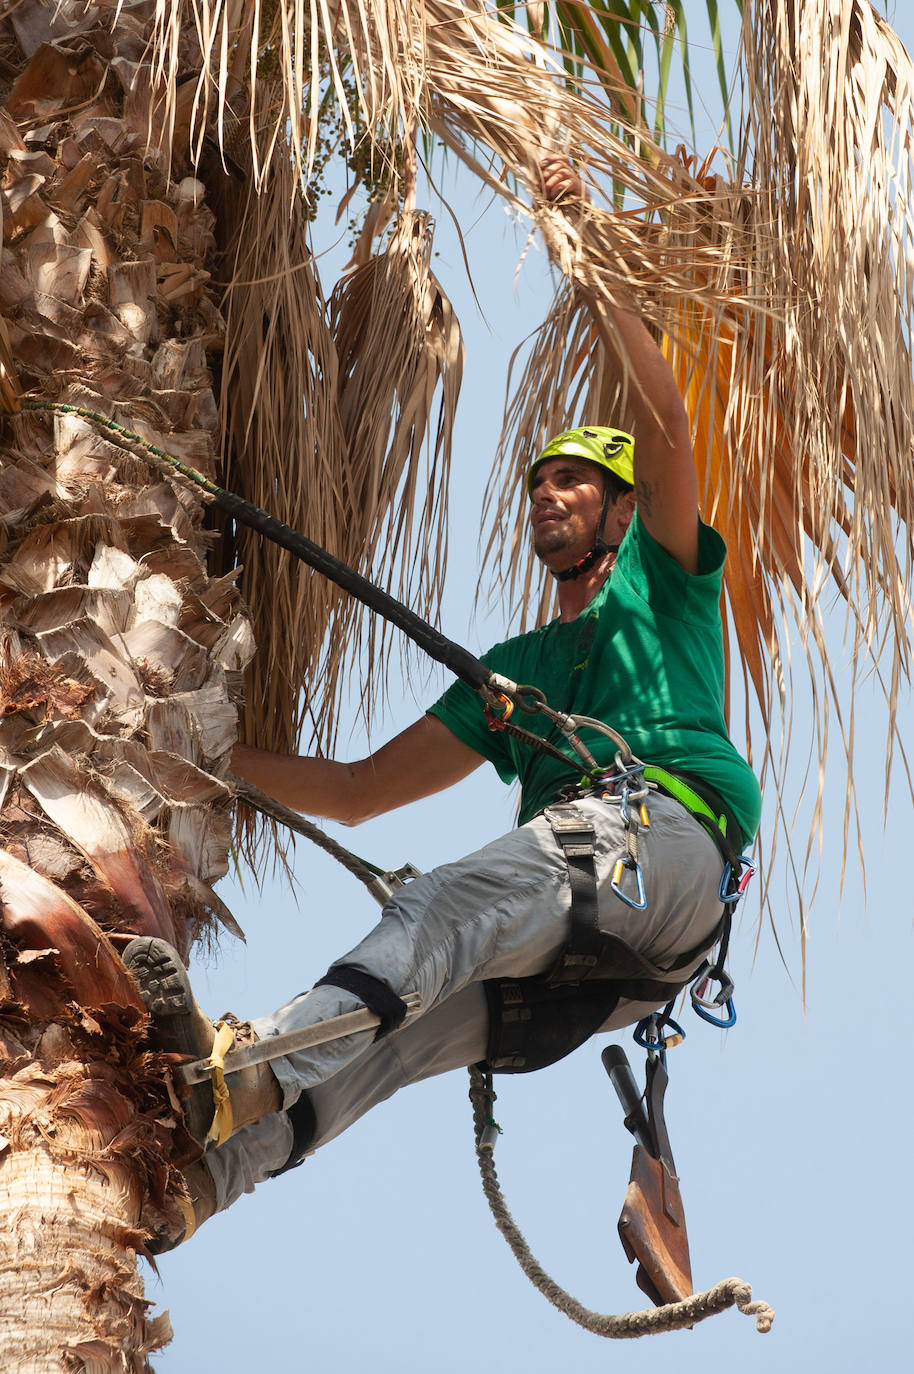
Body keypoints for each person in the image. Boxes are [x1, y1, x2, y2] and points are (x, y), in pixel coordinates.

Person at [125, 167, 762, 1245]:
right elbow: (359, 792)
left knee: (436, 912)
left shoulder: (664, 579)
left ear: (617, 512)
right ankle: (191, 1187)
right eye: (537, 486)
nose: (546, 497)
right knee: (383, 1043)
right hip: (614, 963)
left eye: (574, 484)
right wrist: (187, 754)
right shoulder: (511, 670)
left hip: (660, 846)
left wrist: (580, 244)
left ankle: (237, 1071)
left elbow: (662, 421)